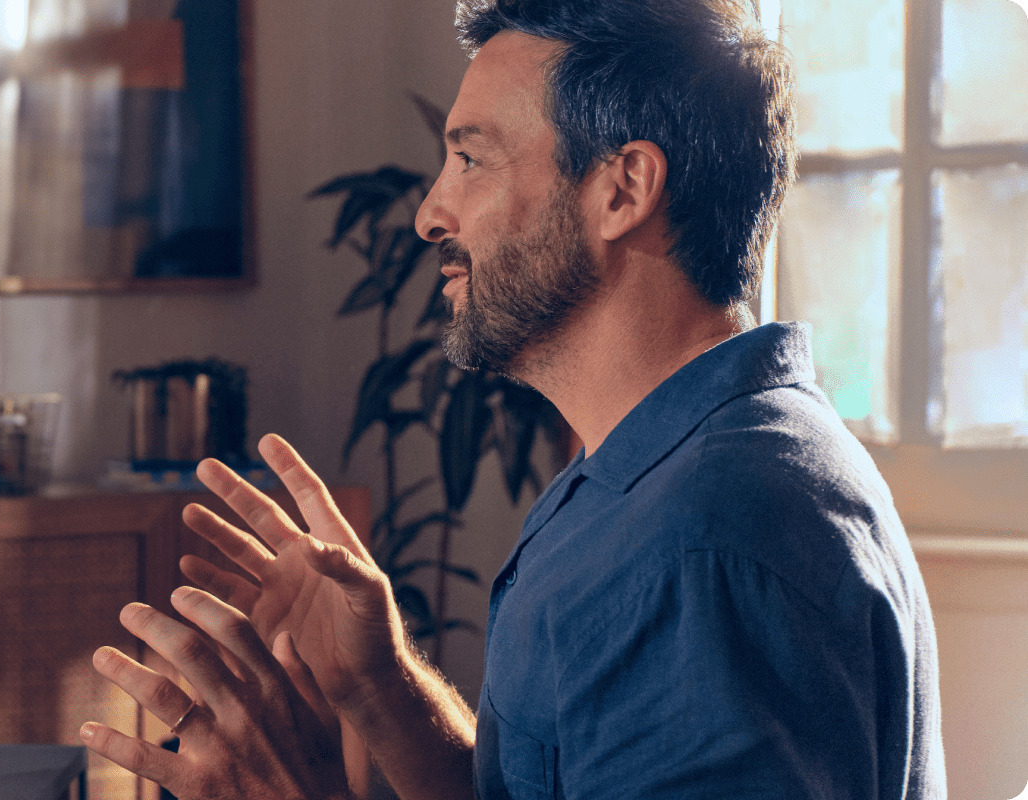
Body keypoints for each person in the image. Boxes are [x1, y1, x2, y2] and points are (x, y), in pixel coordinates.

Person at [77, 3, 943, 799]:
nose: (430, 212)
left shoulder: (702, 543)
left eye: (470, 158)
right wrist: (383, 690)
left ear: (622, 190)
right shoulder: (653, 475)